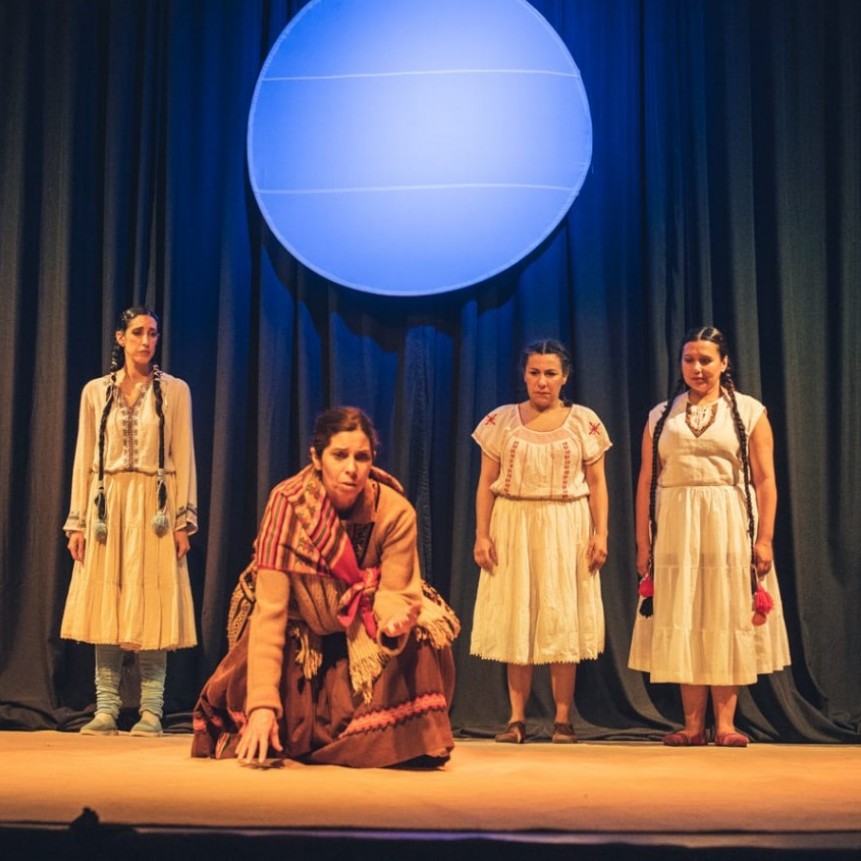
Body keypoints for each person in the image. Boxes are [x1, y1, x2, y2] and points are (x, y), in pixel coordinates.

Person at [191, 407, 460, 768]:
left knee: (423, 636)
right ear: (316, 458)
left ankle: (390, 740)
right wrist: (262, 705)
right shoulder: (287, 506)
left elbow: (396, 592)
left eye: (362, 457)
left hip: (365, 630)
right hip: (301, 631)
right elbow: (270, 615)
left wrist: (394, 622)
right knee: (268, 712)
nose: (352, 468)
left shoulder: (395, 511)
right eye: (340, 455)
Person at [628, 325, 791, 747]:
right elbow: (647, 479)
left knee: (725, 611)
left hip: (729, 520)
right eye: (689, 360)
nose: (697, 368)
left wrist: (765, 538)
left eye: (705, 360)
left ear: (724, 363)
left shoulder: (750, 412)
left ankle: (726, 724)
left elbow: (766, 479)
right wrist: (644, 542)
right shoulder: (661, 415)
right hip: (676, 522)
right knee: (683, 610)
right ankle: (691, 725)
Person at [62, 306, 198, 737]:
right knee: (107, 601)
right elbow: (84, 457)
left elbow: (183, 455)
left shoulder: (174, 391)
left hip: (155, 506)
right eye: (137, 332)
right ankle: (106, 708)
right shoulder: (95, 392)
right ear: (120, 338)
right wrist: (77, 521)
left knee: (153, 603)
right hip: (107, 504)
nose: (146, 341)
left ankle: (151, 710)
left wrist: (183, 519)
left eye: (153, 333)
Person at [470, 339, 611, 744]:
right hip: (513, 521)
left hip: (566, 523)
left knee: (560, 615)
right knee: (518, 615)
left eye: (550, 373)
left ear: (564, 377)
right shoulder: (501, 421)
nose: (542, 381)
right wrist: (482, 534)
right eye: (534, 373)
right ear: (525, 375)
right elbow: (485, 483)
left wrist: (600, 533)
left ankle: (562, 719)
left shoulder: (584, 422)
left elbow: (598, 484)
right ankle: (516, 719)